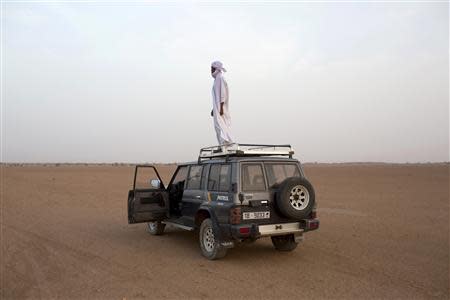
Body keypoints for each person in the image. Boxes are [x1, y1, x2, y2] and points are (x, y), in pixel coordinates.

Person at [210, 61, 233, 146]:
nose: (211, 71)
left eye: (212, 69)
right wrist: (214, 108)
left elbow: (223, 94)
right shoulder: (216, 79)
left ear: (216, 68)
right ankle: (222, 144)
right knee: (218, 126)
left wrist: (221, 107)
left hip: (221, 109)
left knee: (222, 125)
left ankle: (226, 143)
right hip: (218, 108)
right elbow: (216, 96)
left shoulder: (220, 78)